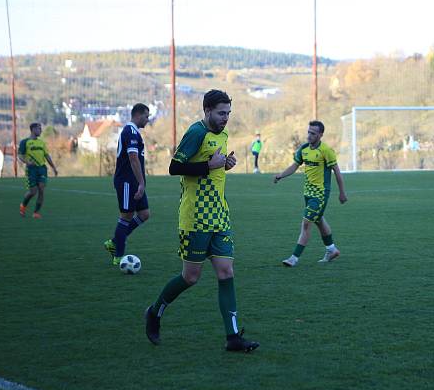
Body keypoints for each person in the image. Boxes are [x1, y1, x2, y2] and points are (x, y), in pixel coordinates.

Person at [144, 90, 258, 353]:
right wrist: (209, 165)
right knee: (191, 277)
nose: (225, 118)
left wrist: (224, 164)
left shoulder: (223, 133)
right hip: (195, 217)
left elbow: (214, 166)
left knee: (226, 272)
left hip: (220, 214)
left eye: (228, 113)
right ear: (206, 111)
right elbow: (174, 168)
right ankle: (154, 311)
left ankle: (232, 338)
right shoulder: (196, 133)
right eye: (221, 113)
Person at [275, 120, 348, 267]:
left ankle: (294, 258)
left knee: (306, 223)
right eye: (308, 132)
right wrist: (281, 175)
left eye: (313, 133)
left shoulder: (326, 151)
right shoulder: (303, 149)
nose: (309, 136)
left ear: (320, 135)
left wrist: (342, 193)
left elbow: (337, 172)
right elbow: (295, 166)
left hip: (320, 194)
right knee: (319, 220)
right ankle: (331, 250)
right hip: (307, 193)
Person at [104, 104, 151, 266]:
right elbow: (132, 157)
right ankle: (118, 255)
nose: (148, 119)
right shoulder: (130, 131)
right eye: (146, 116)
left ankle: (115, 241)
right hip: (127, 182)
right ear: (138, 115)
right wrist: (141, 182)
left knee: (144, 214)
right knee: (126, 216)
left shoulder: (134, 132)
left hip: (134, 182)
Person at [18, 122, 58, 219]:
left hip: (42, 169)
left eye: (40, 128)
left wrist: (53, 167)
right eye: (39, 128)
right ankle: (23, 206)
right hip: (31, 170)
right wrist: (27, 162)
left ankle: (36, 212)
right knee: (33, 192)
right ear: (33, 129)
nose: (40, 130)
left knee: (41, 189)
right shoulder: (25, 142)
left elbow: (46, 155)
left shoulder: (41, 143)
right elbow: (20, 155)